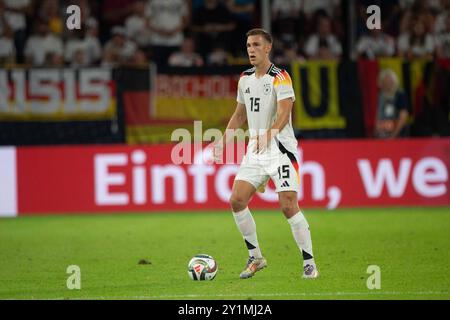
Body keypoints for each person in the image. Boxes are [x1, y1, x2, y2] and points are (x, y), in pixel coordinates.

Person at [214, 28, 319, 280]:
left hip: (280, 149)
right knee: (236, 200)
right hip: (255, 150)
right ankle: (256, 258)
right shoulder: (245, 78)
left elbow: (285, 113)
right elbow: (240, 115)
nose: (251, 49)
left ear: (268, 47)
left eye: (256, 45)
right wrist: (223, 141)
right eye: (248, 45)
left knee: (287, 205)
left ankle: (309, 262)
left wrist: (269, 134)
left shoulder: (281, 77)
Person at [375, 69, 410, 138]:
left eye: (390, 81)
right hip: (381, 133)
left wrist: (394, 135)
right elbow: (377, 114)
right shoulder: (379, 95)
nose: (388, 84)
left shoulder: (400, 95)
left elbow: (403, 115)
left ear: (394, 82)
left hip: (398, 133)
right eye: (385, 81)